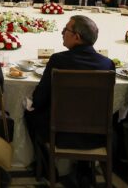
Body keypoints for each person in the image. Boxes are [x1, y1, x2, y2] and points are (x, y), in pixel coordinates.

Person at [24, 15, 115, 148]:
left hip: (59, 135)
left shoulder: (58, 60)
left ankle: (43, 160)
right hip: (96, 137)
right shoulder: (107, 64)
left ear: (76, 37)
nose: (62, 33)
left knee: (29, 113)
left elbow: (39, 98)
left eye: (65, 30)